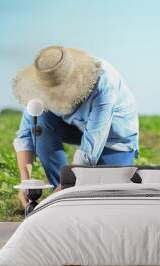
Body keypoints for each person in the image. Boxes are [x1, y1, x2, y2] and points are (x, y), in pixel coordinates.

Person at [13, 45, 139, 207]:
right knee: (41, 120)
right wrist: (25, 182)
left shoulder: (103, 82)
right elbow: (25, 135)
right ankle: (61, 188)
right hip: (73, 127)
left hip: (114, 137)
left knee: (108, 195)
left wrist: (66, 189)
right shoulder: (41, 87)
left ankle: (65, 190)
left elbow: (90, 150)